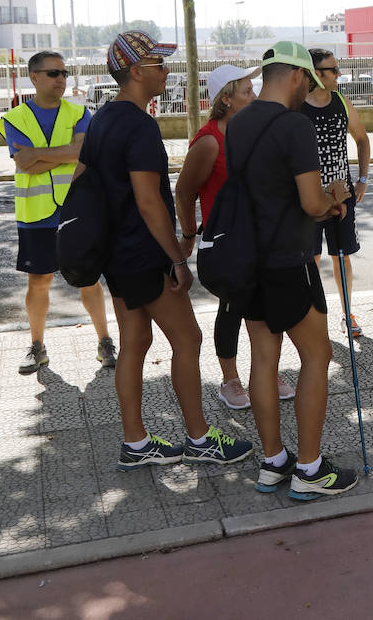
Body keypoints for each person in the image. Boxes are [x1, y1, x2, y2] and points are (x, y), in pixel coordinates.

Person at [78, 31, 251, 470]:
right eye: (158, 64)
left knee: (134, 341)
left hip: (114, 254)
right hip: (142, 253)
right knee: (188, 338)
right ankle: (198, 438)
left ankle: (135, 443)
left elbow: (82, 180)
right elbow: (149, 200)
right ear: (136, 72)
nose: (166, 71)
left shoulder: (100, 119)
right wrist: (177, 257)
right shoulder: (138, 124)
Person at [226, 41, 358, 499]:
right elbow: (309, 201)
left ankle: (273, 462)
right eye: (311, 81)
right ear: (298, 76)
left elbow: (266, 189)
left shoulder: (238, 122)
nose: (311, 90)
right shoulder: (294, 125)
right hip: (290, 260)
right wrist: (336, 197)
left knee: (263, 358)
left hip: (249, 260)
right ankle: (310, 469)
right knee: (317, 357)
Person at [174, 63, 295, 409]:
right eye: (246, 90)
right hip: (228, 244)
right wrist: (187, 236)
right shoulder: (210, 141)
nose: (254, 95)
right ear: (225, 99)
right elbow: (184, 193)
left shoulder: (256, 131)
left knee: (270, 308)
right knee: (233, 309)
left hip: (264, 241)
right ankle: (230, 381)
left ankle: (268, 373)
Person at [0, 51, 116, 375]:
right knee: (39, 282)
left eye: (63, 72)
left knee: (88, 279)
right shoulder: (16, 118)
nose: (60, 78)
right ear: (34, 77)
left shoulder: (79, 112)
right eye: (53, 73)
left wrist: (39, 155)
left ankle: (105, 341)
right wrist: (63, 155)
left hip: (76, 210)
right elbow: (24, 163)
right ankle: (37, 346)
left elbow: (81, 152)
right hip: (36, 214)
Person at [304, 48, 371, 339]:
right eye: (333, 69)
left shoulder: (341, 101)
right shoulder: (295, 106)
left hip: (341, 195)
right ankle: (313, 316)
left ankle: (347, 314)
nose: (339, 74)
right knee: (312, 259)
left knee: (341, 256)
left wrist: (363, 179)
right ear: (316, 73)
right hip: (307, 198)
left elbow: (363, 139)